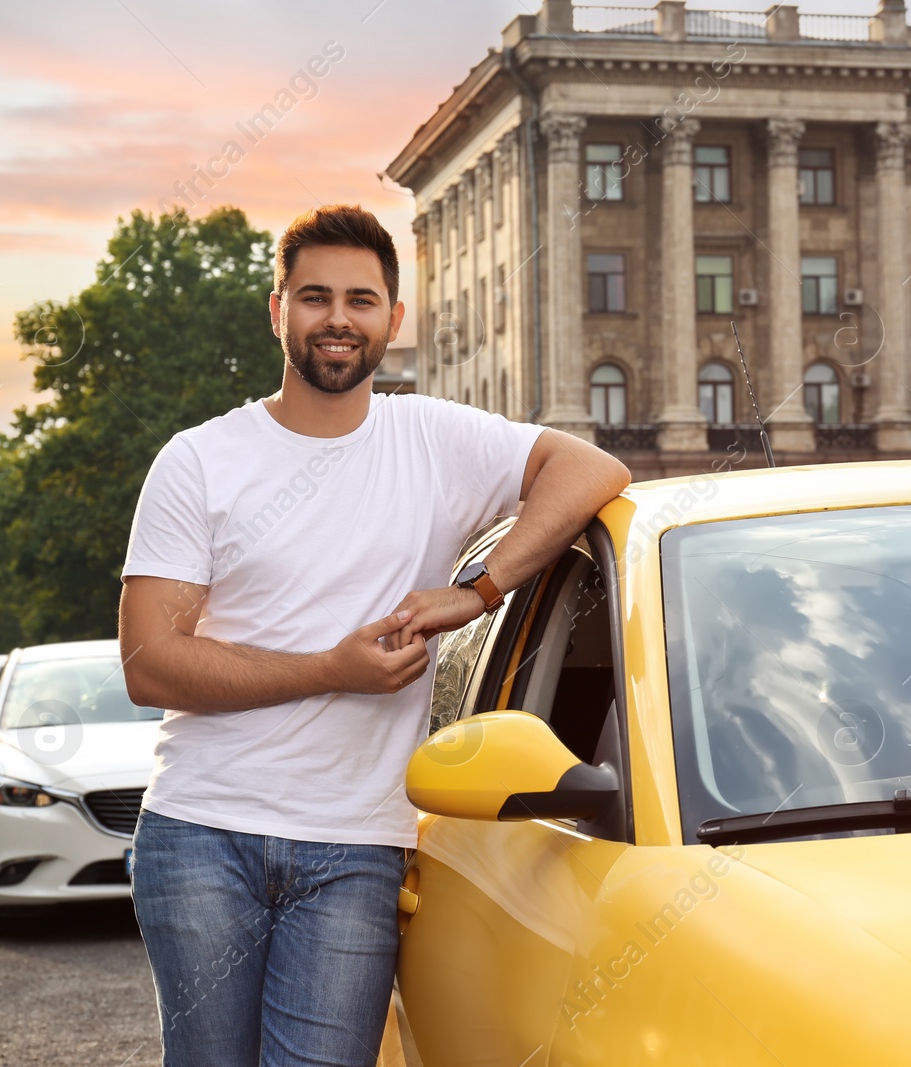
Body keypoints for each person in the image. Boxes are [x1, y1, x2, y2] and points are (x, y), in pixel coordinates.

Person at [118, 204, 630, 1067]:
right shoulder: (200, 459)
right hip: (202, 831)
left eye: (362, 299)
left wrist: (480, 590)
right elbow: (150, 662)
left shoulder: (431, 437)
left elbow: (593, 470)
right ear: (277, 310)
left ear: (394, 319)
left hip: (357, 842)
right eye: (314, 296)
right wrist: (330, 669)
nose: (338, 318)